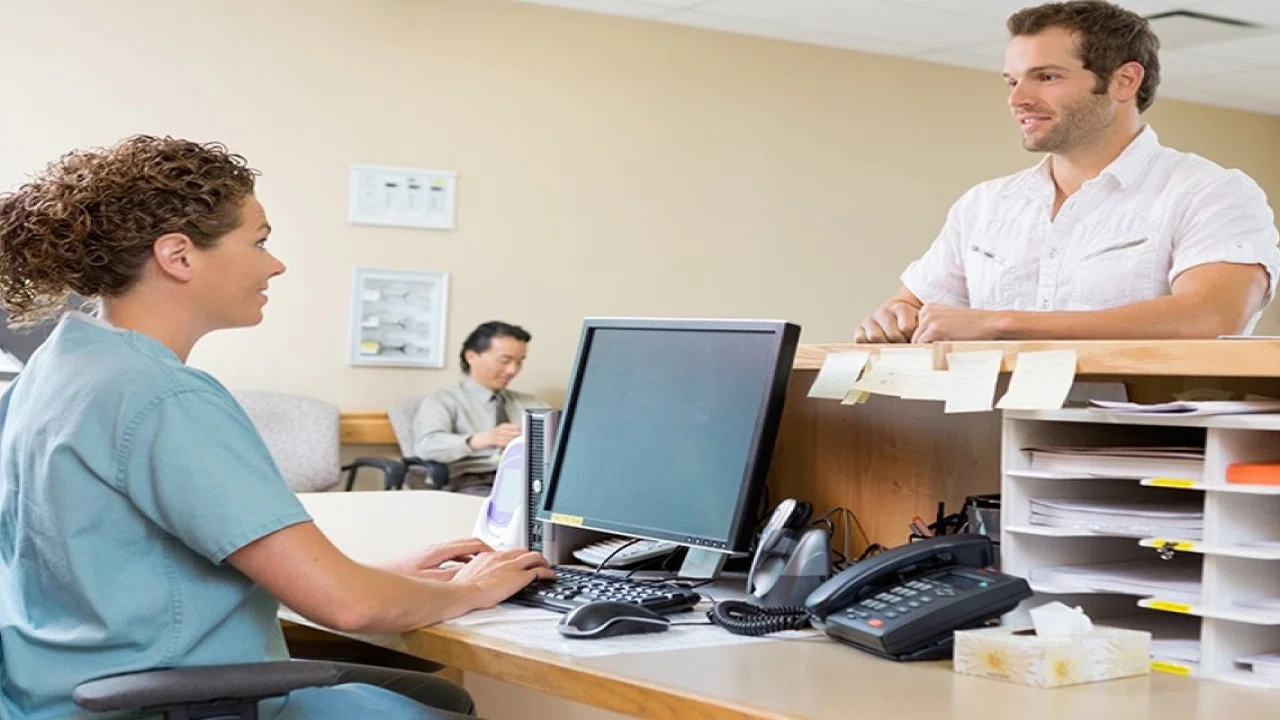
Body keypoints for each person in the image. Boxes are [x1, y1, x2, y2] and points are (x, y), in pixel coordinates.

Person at [0, 135, 554, 720]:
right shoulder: (164, 396)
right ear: (179, 256)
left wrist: (376, 578)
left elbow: (127, 566)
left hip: (55, 689)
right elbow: (350, 608)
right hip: (160, 699)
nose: (275, 264)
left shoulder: (57, 369)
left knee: (438, 695)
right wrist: (471, 590)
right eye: (259, 242)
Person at [857, 0, 1280, 344]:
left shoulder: (1210, 191)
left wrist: (1001, 324)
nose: (1018, 99)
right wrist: (895, 317)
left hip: (1141, 423)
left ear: (1125, 81)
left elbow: (1210, 316)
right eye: (1012, 82)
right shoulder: (983, 205)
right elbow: (912, 305)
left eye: (1046, 77)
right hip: (992, 421)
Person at [412, 321, 550, 494]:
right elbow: (426, 446)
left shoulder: (531, 404)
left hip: (532, 481)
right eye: (505, 360)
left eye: (519, 362)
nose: (513, 370)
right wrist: (477, 440)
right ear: (471, 357)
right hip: (477, 481)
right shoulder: (442, 401)